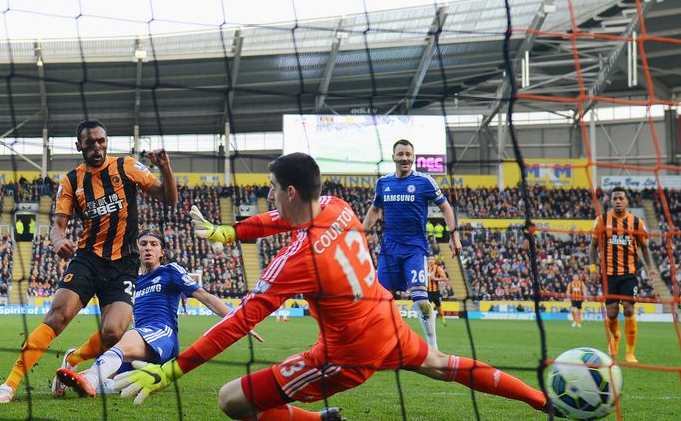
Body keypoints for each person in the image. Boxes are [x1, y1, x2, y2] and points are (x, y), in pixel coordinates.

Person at [113, 153, 554, 420]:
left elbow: (238, 323)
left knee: (232, 401)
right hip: (387, 322)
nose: (268, 196)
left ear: (288, 191)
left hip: (347, 355)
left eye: (271, 188)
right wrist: (231, 233)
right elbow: (273, 220)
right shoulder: (339, 207)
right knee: (447, 364)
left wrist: (172, 371)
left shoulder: (296, 262)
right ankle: (541, 400)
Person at [0, 119, 178, 403]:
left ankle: (73, 358)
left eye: (102, 141)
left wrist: (165, 167)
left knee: (114, 332)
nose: (97, 147)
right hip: (88, 259)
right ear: (80, 146)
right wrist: (57, 241)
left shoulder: (126, 166)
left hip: (124, 264)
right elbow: (58, 225)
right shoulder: (71, 181)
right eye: (90, 143)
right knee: (57, 315)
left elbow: (169, 198)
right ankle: (9, 385)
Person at [55, 230, 262, 397]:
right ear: (137, 250)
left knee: (112, 355)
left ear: (161, 251)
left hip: (161, 334)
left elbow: (204, 296)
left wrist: (238, 320)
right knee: (117, 386)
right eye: (143, 244)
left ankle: (89, 377)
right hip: (139, 342)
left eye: (153, 245)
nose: (148, 248)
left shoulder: (170, 271)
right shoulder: (131, 280)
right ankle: (75, 374)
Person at [361, 139, 461, 350]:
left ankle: (433, 347)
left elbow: (446, 208)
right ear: (393, 157)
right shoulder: (383, 183)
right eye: (401, 154)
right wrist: (361, 234)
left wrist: (455, 237)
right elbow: (375, 210)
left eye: (408, 154)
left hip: (414, 249)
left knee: (421, 299)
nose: (405, 158)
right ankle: (383, 344)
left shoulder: (425, 182)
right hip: (388, 251)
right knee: (379, 301)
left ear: (413, 157)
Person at [589, 186, 658, 363]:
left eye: (621, 198)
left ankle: (630, 352)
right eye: (615, 199)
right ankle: (615, 336)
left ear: (627, 201)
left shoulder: (637, 223)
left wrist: (651, 268)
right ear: (610, 202)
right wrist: (593, 269)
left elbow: (645, 248)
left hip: (629, 274)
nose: (618, 201)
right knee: (611, 314)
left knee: (628, 309)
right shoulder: (602, 221)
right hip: (608, 275)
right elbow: (593, 246)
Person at [426, 255, 449, 325]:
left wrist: (435, 279)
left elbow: (445, 278)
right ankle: (426, 320)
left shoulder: (438, 268)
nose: (430, 261)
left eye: (432, 259)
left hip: (435, 292)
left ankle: (442, 318)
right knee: (427, 306)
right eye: (429, 259)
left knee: (438, 307)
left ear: (435, 260)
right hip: (427, 291)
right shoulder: (425, 268)